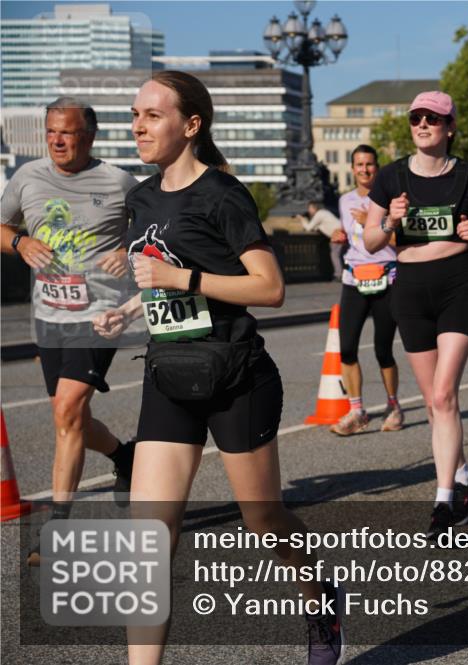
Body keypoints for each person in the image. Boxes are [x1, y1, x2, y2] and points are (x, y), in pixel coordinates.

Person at [91, 71, 344, 665]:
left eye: (153, 115)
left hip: (235, 378)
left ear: (191, 125)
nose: (138, 125)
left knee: (264, 520)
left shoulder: (223, 195)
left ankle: (318, 597)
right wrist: (129, 307)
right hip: (170, 376)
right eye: (135, 115)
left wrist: (178, 280)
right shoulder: (143, 198)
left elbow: (270, 286)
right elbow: (163, 270)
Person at [362, 91, 468, 534]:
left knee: (444, 394)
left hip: (457, 286)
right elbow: (371, 240)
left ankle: (444, 500)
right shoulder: (390, 177)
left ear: (450, 127)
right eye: (415, 118)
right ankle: (464, 474)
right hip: (409, 291)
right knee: (433, 403)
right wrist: (390, 221)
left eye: (433, 118)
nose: (423, 124)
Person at [0, 97, 137, 533]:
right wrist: (20, 244)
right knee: (67, 414)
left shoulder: (118, 181)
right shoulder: (27, 176)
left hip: (99, 314)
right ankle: (123, 455)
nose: (57, 140)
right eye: (51, 131)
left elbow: (156, 230)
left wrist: (127, 250)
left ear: (90, 136)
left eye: (68, 132)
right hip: (49, 314)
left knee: (69, 410)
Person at [330, 144, 404, 435]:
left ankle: (393, 405)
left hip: (386, 279)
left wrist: (373, 223)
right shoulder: (344, 200)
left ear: (377, 166)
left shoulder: (391, 199)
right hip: (354, 280)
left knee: (383, 350)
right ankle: (357, 410)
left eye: (369, 164)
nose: (364, 170)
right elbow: (351, 237)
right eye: (359, 165)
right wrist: (341, 236)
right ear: (352, 169)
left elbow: (403, 241)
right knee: (347, 348)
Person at [298, 200, 345, 281]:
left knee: (335, 255)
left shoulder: (319, 214)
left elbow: (309, 228)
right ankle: (342, 273)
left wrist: (302, 220)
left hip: (337, 234)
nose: (309, 210)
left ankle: (339, 275)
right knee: (340, 255)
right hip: (340, 232)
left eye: (310, 208)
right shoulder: (323, 213)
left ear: (314, 208)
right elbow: (319, 226)